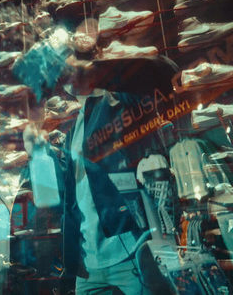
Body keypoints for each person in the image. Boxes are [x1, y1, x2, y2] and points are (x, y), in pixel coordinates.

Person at [63, 55, 179, 294]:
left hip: (130, 254)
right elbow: (75, 196)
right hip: (89, 262)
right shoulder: (74, 127)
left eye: (69, 69)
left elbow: (163, 73)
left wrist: (97, 71)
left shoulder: (120, 102)